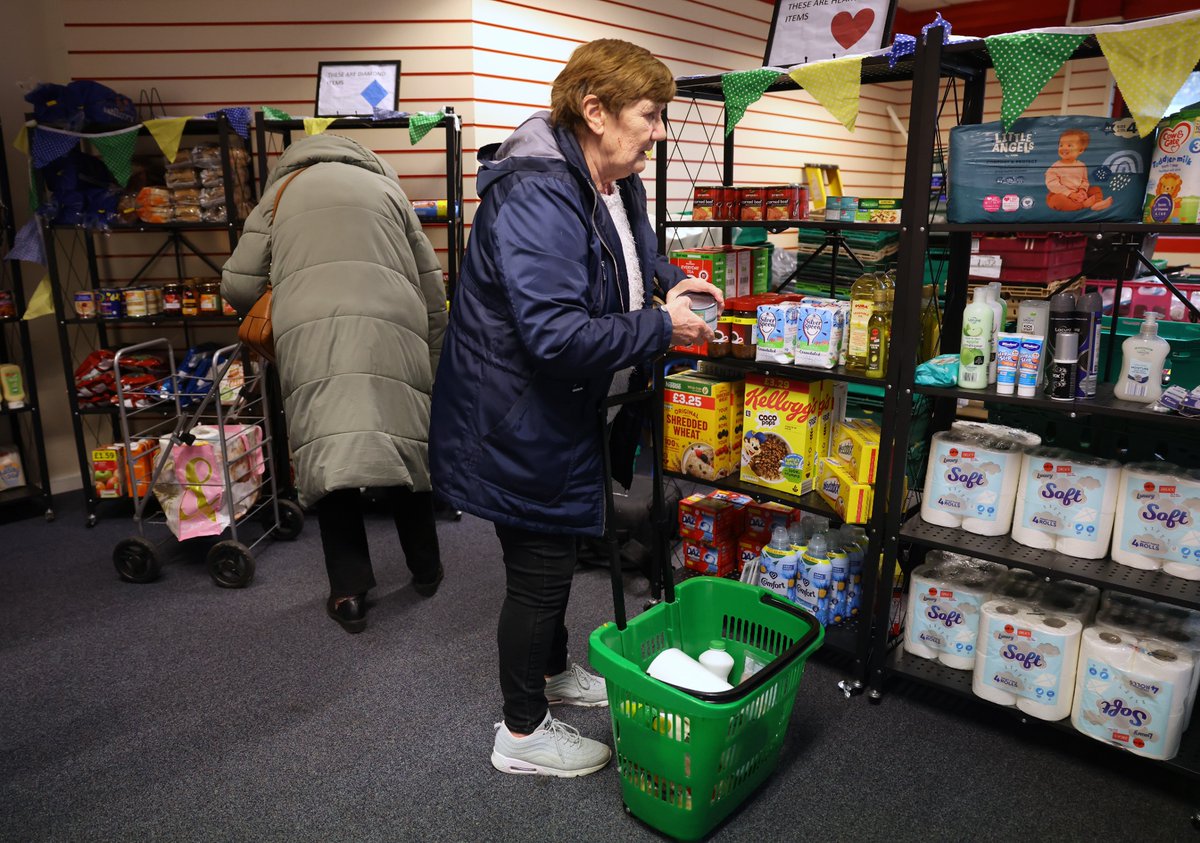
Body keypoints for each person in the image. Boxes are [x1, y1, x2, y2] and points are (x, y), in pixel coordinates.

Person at [429, 38, 720, 777]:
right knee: (542, 566)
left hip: (557, 411)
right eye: (649, 115)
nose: (658, 131)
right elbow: (554, 334)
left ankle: (554, 673)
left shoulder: (613, 180)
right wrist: (662, 324)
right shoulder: (537, 192)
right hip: (514, 414)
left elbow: (633, 257)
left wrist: (674, 281)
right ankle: (521, 734)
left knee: (551, 548)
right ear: (594, 111)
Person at [222, 133, 447, 634]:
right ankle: (427, 571)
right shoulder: (389, 192)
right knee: (404, 447)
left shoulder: (281, 194)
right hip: (394, 328)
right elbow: (432, 287)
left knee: (328, 457)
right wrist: (432, 359)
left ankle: (349, 592)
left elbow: (237, 286)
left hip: (312, 331)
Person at [1045, 128, 1113, 212]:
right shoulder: (1055, 167)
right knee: (1056, 200)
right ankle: (1082, 205)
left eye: (1069, 145)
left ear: (1080, 150)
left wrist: (1082, 190)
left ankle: (1097, 203)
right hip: (1061, 194)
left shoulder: (1081, 165)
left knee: (1095, 189)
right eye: (1061, 145)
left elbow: (1084, 181)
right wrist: (1070, 194)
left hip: (1078, 193)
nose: (1064, 148)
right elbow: (1052, 184)